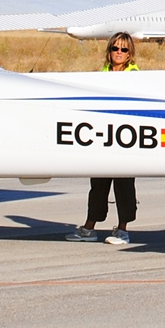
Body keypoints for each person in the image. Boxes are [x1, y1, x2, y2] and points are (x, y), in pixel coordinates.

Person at [67, 33, 139, 246]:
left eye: (124, 50)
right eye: (115, 48)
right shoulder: (103, 73)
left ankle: (123, 229)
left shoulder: (135, 75)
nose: (119, 52)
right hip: (103, 135)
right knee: (98, 184)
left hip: (125, 137)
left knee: (124, 185)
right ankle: (89, 227)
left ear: (130, 54)